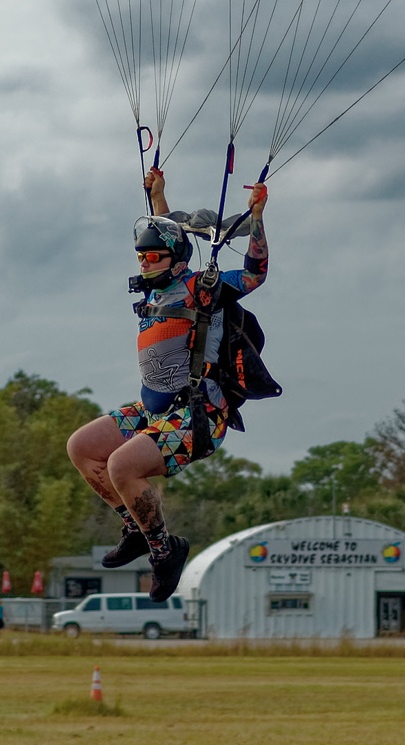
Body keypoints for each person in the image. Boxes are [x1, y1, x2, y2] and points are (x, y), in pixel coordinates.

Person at [67, 169, 269, 602]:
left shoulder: (202, 289)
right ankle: (136, 528)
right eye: (140, 256)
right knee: (82, 447)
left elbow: (254, 276)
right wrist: (159, 196)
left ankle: (164, 551)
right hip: (153, 411)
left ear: (173, 259)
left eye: (151, 257)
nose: (143, 262)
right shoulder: (158, 288)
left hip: (196, 415)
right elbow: (169, 235)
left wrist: (256, 219)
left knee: (122, 466)